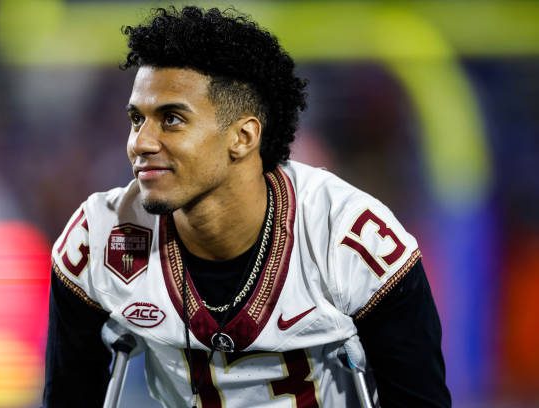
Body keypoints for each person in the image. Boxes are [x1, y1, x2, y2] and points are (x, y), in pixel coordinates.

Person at [42, 6, 451, 407]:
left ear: (243, 137)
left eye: (171, 119)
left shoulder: (349, 239)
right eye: (137, 119)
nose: (141, 143)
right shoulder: (98, 238)